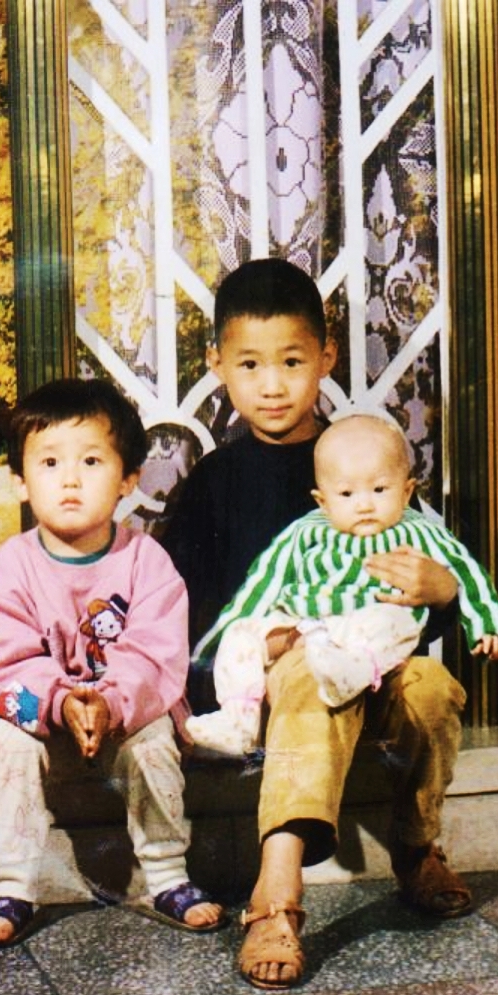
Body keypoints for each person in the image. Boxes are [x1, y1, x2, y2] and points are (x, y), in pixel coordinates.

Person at [160, 258, 471, 990]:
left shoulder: (362, 458)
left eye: (292, 361)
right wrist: (230, 666)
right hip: (279, 689)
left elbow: (424, 581)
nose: (272, 385)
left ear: (326, 357)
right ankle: (277, 894)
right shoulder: (214, 483)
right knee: (305, 669)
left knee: (432, 689)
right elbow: (182, 611)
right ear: (217, 365)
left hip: (376, 671)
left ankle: (416, 845)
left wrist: (442, 592)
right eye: (250, 364)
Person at [0, 378, 224, 948]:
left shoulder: (146, 560)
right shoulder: (11, 566)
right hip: (42, 719)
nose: (70, 480)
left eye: (91, 461)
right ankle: (12, 884)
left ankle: (167, 874)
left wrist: (107, 701)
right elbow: (2, 656)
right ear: (19, 480)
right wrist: (62, 701)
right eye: (49, 462)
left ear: (128, 477)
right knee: (9, 744)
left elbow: (156, 652)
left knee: (155, 740)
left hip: (123, 716)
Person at [186, 414, 498, 756]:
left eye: (379, 490)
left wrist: (487, 624)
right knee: (242, 635)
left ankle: (350, 670)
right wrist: (225, 636)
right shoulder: (306, 530)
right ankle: (238, 720)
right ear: (323, 500)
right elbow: (264, 583)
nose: (364, 505)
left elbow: (468, 572)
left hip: (373, 627)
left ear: (407, 491)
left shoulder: (418, 530)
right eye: (347, 494)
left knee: (392, 622)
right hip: (307, 629)